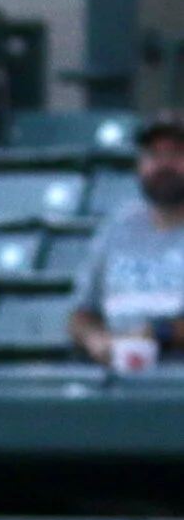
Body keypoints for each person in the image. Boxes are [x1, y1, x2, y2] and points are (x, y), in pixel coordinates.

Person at [70, 113, 184, 371]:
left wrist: (159, 333)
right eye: (154, 155)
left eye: (176, 153)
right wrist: (94, 338)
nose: (164, 164)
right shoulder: (117, 227)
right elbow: (80, 315)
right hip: (115, 373)